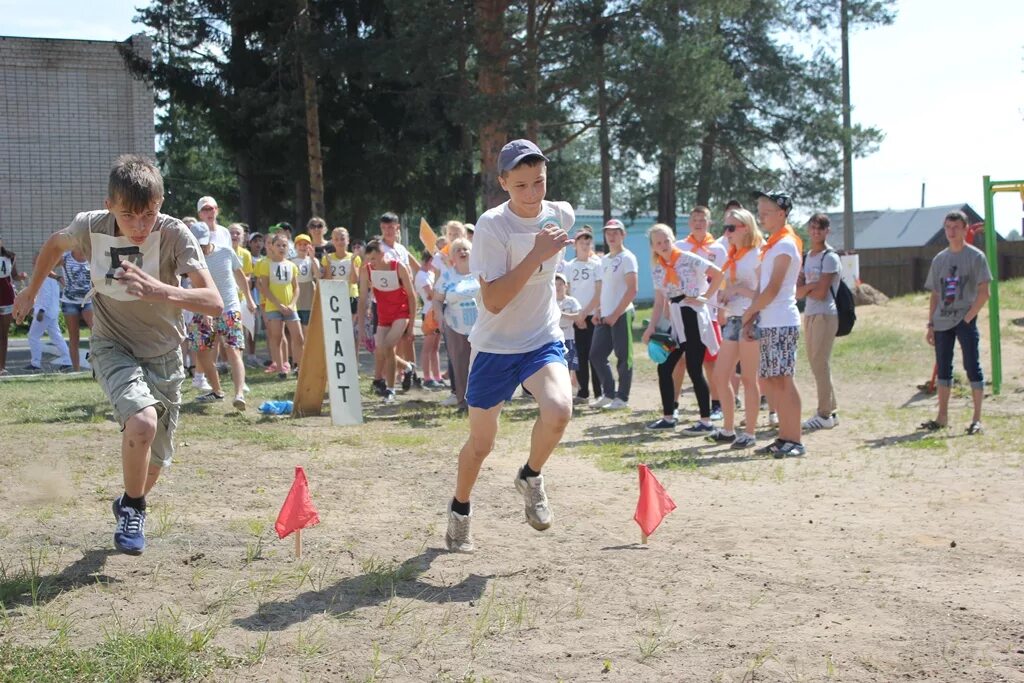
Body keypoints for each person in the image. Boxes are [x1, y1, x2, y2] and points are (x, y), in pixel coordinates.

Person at [12, 155, 222, 554]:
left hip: (163, 352)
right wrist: (31, 289)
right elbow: (55, 245)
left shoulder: (175, 233)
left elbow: (213, 300)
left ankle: (129, 501)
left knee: (154, 463)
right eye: (129, 216)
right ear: (109, 206)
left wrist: (159, 290)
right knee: (141, 423)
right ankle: (136, 509)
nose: (140, 226)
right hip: (112, 344)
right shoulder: (91, 225)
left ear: (160, 204)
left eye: (148, 214)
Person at [445, 138, 574, 554]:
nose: (533, 195)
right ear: (503, 183)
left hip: (541, 338)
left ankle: (531, 476)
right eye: (521, 186)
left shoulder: (562, 214)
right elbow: (495, 301)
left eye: (539, 182)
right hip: (495, 346)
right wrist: (537, 254)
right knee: (482, 445)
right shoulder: (491, 226)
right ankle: (460, 509)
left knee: (558, 411)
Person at [640, 224, 723, 433]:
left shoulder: (688, 257)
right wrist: (651, 327)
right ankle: (668, 416)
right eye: (658, 242)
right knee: (665, 367)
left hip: (692, 314)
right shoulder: (658, 268)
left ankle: (706, 421)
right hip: (675, 319)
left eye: (666, 240)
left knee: (695, 369)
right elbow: (660, 302)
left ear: (672, 239)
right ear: (653, 247)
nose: (663, 245)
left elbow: (718, 274)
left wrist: (704, 297)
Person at [742, 191, 805, 457]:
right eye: (760, 211)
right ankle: (783, 437)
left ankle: (795, 439)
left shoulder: (786, 245)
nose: (761, 217)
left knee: (783, 379)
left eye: (766, 212)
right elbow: (761, 288)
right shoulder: (772, 245)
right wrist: (753, 316)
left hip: (781, 320)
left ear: (782, 214)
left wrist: (748, 313)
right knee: (770, 380)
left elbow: (773, 289)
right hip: (769, 321)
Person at [922, 210, 992, 435]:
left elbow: (984, 293)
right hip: (942, 321)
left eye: (955, 228)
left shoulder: (975, 257)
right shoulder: (940, 259)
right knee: (944, 368)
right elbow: (934, 294)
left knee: (972, 366)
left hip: (965, 319)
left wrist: (968, 318)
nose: (951, 232)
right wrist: (931, 324)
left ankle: (977, 419)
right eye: (947, 228)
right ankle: (942, 417)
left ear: (964, 229)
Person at [707, 209, 764, 448]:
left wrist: (737, 291)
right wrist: (723, 297)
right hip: (733, 318)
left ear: (746, 228)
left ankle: (749, 432)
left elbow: (763, 294)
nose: (726, 233)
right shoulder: (735, 255)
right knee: (721, 376)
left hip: (752, 318)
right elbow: (730, 285)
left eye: (731, 228)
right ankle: (729, 430)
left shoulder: (757, 255)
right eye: (725, 228)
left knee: (749, 378)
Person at [187, 222, 256, 409]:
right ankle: (217, 391)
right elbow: (197, 286)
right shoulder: (191, 258)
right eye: (197, 244)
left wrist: (249, 299)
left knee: (234, 350)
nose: (201, 247)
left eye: (203, 243)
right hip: (204, 310)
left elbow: (239, 275)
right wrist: (204, 311)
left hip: (230, 309)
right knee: (201, 352)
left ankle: (239, 394)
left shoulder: (226, 252)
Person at [674, 206, 728, 421]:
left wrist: (722, 308)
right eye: (695, 219)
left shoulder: (718, 248)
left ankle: (716, 404)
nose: (698, 223)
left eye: (702, 219)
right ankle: (673, 403)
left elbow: (722, 278)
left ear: (709, 223)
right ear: (689, 222)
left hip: (709, 311)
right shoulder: (680, 246)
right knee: (679, 359)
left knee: (710, 360)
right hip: (683, 311)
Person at [356, 239, 416, 403]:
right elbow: (362, 300)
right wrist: (361, 327)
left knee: (388, 347)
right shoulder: (366, 270)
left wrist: (411, 325)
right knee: (381, 351)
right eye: (369, 259)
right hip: (383, 315)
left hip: (401, 312)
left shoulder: (398, 267)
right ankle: (408, 367)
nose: (371, 263)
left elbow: (412, 296)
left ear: (383, 254)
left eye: (374, 258)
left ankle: (390, 390)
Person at [797, 213, 842, 431]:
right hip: (811, 314)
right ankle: (831, 409)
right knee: (816, 363)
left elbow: (822, 292)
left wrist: (809, 288)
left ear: (827, 231)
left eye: (820, 228)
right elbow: (797, 292)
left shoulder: (830, 257)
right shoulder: (807, 256)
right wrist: (809, 288)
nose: (816, 232)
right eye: (813, 227)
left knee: (820, 362)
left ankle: (824, 413)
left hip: (826, 314)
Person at [590, 218, 638, 410]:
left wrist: (616, 314)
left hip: (622, 313)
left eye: (615, 232)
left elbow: (632, 289)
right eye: (608, 232)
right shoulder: (604, 260)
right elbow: (605, 289)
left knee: (623, 356)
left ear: (623, 235)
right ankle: (608, 393)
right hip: (605, 315)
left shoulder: (627, 257)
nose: (611, 236)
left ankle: (622, 397)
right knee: (596, 355)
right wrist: (598, 310)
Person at [434, 237, 478, 411]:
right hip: (455, 326)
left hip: (481, 327)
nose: (462, 252)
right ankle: (463, 402)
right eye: (458, 250)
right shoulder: (447, 276)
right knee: (460, 364)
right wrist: (439, 317)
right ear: (452, 256)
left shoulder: (480, 273)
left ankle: (484, 401)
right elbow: (437, 299)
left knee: (482, 363)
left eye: (466, 249)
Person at [379, 212, 422, 389]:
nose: (389, 230)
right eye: (385, 227)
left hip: (405, 299)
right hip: (385, 302)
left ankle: (410, 375)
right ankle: (396, 373)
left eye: (392, 227)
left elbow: (415, 269)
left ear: (397, 227)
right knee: (386, 344)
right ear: (381, 228)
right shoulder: (379, 248)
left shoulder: (401, 249)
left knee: (407, 340)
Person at [255, 231, 304, 379]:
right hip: (273, 306)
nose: (281, 248)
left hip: (290, 307)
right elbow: (264, 287)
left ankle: (298, 366)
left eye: (284, 245)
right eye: (278, 245)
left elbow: (296, 288)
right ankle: (281, 368)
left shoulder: (291, 265)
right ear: (272, 247)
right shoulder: (266, 265)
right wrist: (278, 304)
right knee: (276, 337)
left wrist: (292, 304)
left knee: (298, 337)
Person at [564, 225, 602, 404]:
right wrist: (577, 315)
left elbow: (599, 292)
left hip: (592, 316)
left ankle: (599, 392)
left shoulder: (597, 265)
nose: (585, 245)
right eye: (581, 242)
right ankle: (583, 392)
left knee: (595, 354)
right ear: (575, 245)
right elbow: (568, 290)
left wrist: (585, 313)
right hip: (576, 317)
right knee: (580, 353)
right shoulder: (570, 267)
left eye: (588, 241)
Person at [25, 258, 73, 372]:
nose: (34, 265)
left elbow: (46, 295)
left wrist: (41, 310)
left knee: (33, 336)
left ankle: (35, 363)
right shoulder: (52, 277)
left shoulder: (45, 277)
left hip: (45, 312)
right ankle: (68, 360)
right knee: (57, 337)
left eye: (35, 263)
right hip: (53, 311)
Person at [58, 246, 93, 371]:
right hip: (70, 301)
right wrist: (57, 277)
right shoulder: (65, 257)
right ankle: (76, 370)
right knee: (74, 336)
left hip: (88, 300)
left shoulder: (91, 255)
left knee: (96, 332)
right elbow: (46, 266)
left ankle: (94, 361)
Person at [0, 237, 27, 376]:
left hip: (6, 297)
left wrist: (21, 276)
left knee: (3, 335)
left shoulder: (9, 256)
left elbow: (14, 275)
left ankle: (2, 367)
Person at [416, 252, 443, 388]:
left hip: (435, 312)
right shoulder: (421, 275)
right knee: (428, 347)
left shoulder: (431, 274)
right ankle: (427, 377)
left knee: (435, 347)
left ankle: (437, 376)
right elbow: (431, 294)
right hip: (428, 314)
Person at [321, 227, 360, 314]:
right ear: (332, 241)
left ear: (348, 240)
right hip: (334, 296)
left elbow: (354, 281)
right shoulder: (327, 258)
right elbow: (327, 280)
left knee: (350, 326)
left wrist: (353, 261)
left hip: (350, 295)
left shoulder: (354, 257)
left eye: (342, 239)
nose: (339, 242)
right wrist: (329, 263)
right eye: (336, 239)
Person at [555, 272, 583, 395]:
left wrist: (563, 314)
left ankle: (571, 391)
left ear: (566, 286)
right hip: (554, 339)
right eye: (555, 284)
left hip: (568, 338)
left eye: (561, 284)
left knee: (569, 368)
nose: (558, 287)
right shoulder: (549, 302)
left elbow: (578, 316)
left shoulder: (571, 301)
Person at [291, 234, 320, 330]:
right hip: (295, 298)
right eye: (300, 244)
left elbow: (318, 276)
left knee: (307, 327)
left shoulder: (313, 260)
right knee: (296, 328)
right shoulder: (290, 261)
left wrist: (312, 258)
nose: (303, 247)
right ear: (295, 246)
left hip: (308, 297)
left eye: (305, 244)